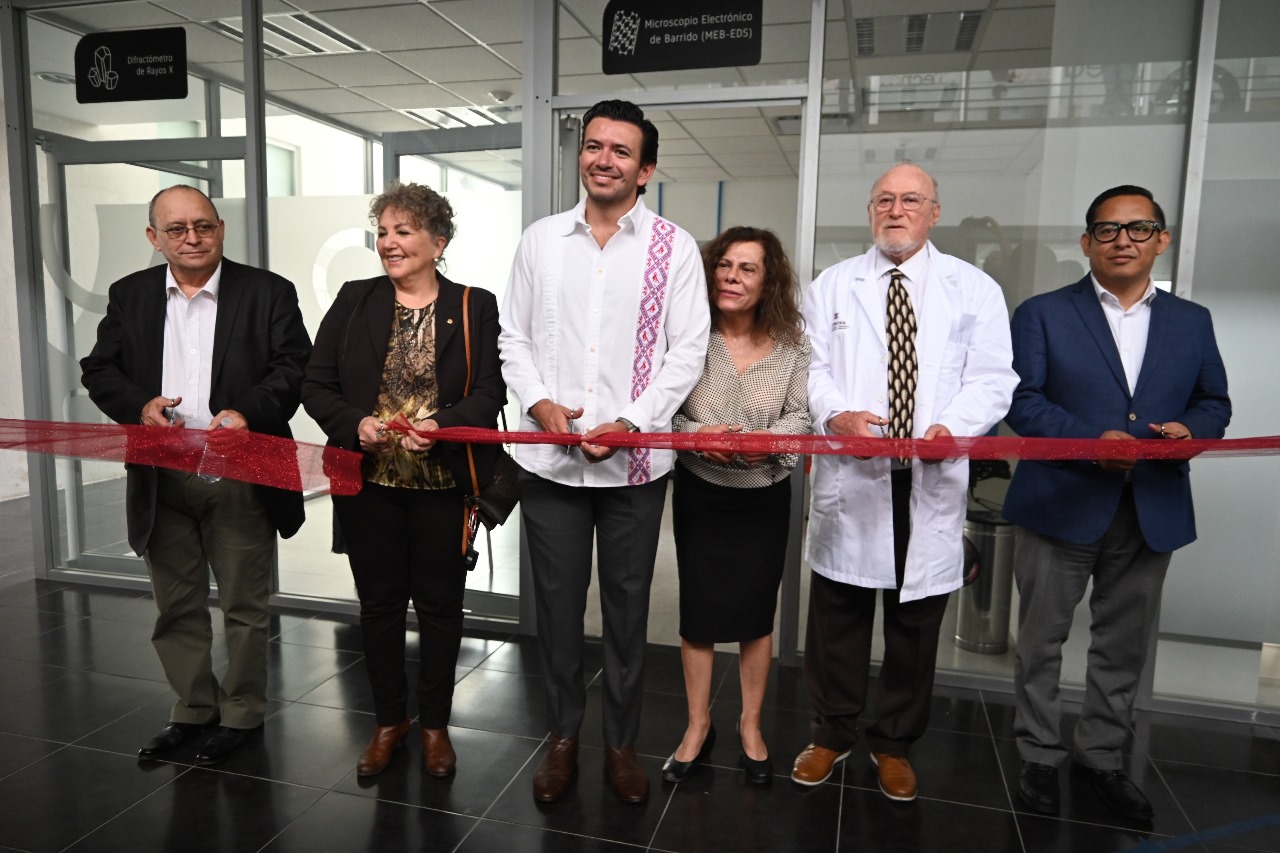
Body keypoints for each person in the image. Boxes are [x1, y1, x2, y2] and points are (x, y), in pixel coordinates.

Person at [499, 99, 710, 804]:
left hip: (635, 467)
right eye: (594, 146)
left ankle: (621, 743)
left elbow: (688, 352)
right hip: (548, 464)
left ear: (644, 170)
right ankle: (563, 738)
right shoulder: (540, 241)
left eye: (621, 151)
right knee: (557, 611)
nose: (604, 160)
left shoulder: (674, 248)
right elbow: (513, 338)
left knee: (626, 611)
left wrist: (630, 422)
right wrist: (539, 405)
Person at [1004, 185, 1230, 821]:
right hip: (1059, 502)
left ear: (1162, 239)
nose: (1122, 240)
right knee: (1040, 642)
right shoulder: (1043, 313)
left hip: (1151, 505)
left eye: (1139, 228)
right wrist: (1088, 444)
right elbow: (1021, 400)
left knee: (1123, 645)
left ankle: (1100, 757)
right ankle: (1038, 755)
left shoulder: (1192, 320)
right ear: (1087, 242)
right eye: (1107, 230)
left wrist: (1191, 432)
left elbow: (1213, 402)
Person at [794, 163, 1017, 800]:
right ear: (871, 211)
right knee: (837, 615)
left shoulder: (973, 289)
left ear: (934, 212)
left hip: (930, 477)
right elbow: (810, 369)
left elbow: (993, 378)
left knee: (915, 623)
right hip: (854, 475)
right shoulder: (833, 286)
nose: (896, 210)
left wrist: (954, 427)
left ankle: (893, 744)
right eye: (885, 199)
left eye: (911, 200)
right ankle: (830, 733)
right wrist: (836, 415)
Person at [80, 185, 311, 765]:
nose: (192, 238)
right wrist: (139, 406)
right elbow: (99, 369)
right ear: (154, 237)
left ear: (220, 229)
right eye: (177, 229)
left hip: (239, 469)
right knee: (175, 604)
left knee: (244, 604)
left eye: (203, 226)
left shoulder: (268, 292)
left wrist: (247, 412)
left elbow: (294, 368)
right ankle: (192, 708)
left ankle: (242, 714)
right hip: (160, 472)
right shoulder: (130, 295)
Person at [301, 182, 505, 778]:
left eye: (404, 231)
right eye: (383, 232)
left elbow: (491, 392)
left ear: (438, 242)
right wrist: (354, 423)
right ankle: (389, 722)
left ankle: (435, 725)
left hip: (444, 487)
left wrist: (442, 426)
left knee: (441, 607)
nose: (389, 243)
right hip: (370, 485)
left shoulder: (474, 305)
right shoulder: (355, 298)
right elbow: (315, 384)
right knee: (380, 605)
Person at [663, 226, 811, 786]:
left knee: (755, 614)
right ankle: (697, 725)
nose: (732, 277)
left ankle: (750, 725)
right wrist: (699, 436)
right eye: (724, 265)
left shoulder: (794, 345)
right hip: (702, 492)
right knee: (699, 613)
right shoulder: (687, 338)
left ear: (768, 281)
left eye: (748, 268)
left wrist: (764, 442)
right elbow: (665, 413)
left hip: (764, 498)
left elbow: (801, 416)